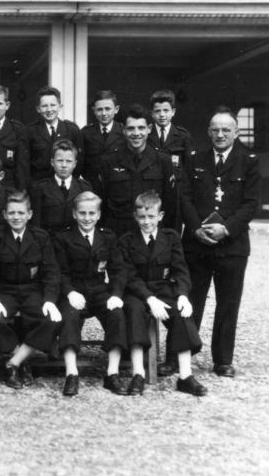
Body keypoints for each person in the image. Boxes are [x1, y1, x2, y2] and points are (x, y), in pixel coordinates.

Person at [178, 107, 260, 378]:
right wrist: (194, 229)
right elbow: (185, 198)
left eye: (226, 130)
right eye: (215, 130)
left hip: (232, 247)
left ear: (236, 133)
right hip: (198, 244)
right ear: (208, 132)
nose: (220, 134)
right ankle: (182, 356)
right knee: (191, 302)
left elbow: (251, 203)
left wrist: (226, 229)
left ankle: (223, 360)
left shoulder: (248, 161)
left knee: (228, 304)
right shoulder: (195, 159)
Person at [118, 191, 206, 396]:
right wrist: (149, 299)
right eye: (141, 217)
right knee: (135, 311)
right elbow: (129, 276)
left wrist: (183, 294)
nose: (146, 222)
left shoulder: (171, 237)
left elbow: (180, 269)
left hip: (163, 289)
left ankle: (185, 376)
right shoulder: (127, 240)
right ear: (135, 216)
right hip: (137, 292)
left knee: (181, 313)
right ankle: (138, 373)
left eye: (151, 216)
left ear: (161, 215)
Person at [0, 190, 62, 389]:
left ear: (30, 214)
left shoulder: (40, 237)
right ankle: (23, 362)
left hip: (31, 291)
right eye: (12, 213)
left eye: (20, 213)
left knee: (51, 319)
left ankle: (13, 363)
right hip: (5, 290)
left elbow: (52, 271)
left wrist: (50, 300)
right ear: (5, 215)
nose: (16, 217)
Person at [53, 192, 128, 396]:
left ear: (99, 214)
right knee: (69, 317)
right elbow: (60, 271)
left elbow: (119, 269)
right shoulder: (63, 237)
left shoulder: (108, 236)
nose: (87, 218)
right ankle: (72, 373)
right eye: (82, 213)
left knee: (117, 315)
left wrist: (116, 294)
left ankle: (112, 373)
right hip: (75, 290)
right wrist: (69, 293)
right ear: (74, 214)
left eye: (92, 213)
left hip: (99, 290)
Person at [98, 104, 175, 236]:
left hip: (151, 233)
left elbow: (171, 205)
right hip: (118, 234)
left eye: (141, 128)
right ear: (123, 129)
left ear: (149, 129)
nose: (136, 134)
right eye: (131, 128)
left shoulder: (163, 160)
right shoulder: (109, 161)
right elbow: (102, 204)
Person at [147, 89, 194, 232]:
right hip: (151, 193)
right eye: (158, 111)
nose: (162, 115)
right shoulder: (146, 134)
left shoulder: (183, 136)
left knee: (172, 234)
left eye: (166, 110)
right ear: (152, 113)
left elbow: (188, 169)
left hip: (175, 195)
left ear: (173, 111)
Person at [30, 139, 92, 235]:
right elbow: (36, 224)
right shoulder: (40, 188)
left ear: (75, 164)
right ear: (52, 162)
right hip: (49, 243)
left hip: (75, 243)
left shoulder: (84, 188)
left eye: (68, 161)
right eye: (60, 161)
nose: (64, 165)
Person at [26, 86, 84, 184]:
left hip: (64, 185)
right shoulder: (30, 131)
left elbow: (79, 161)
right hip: (39, 186)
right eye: (44, 106)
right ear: (38, 109)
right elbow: (24, 164)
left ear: (60, 107)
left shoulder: (72, 130)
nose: (49, 109)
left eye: (53, 105)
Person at [80, 90, 126, 195]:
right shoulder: (86, 133)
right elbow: (81, 164)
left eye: (108, 109)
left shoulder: (124, 132)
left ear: (116, 109)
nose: (104, 113)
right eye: (100, 109)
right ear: (94, 110)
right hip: (92, 188)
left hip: (118, 188)